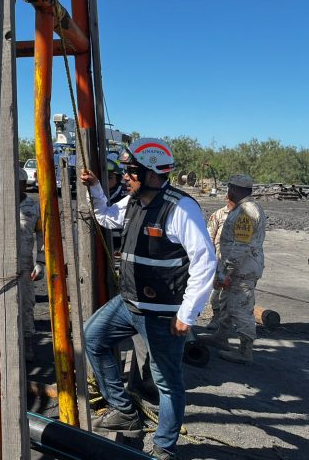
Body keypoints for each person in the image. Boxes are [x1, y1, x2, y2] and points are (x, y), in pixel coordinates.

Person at [80, 137, 216, 460]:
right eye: (126, 171)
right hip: (130, 304)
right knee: (92, 336)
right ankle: (125, 412)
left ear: (153, 174)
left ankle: (164, 447)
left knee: (167, 383)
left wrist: (187, 314)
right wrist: (98, 189)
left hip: (163, 314)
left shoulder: (180, 208)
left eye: (132, 171)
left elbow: (206, 261)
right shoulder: (133, 202)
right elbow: (106, 217)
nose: (125, 176)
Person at [202, 175, 266, 364]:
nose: (228, 191)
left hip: (241, 270)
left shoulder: (246, 212)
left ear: (236, 190)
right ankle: (221, 337)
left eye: (230, 188)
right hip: (239, 268)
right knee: (227, 304)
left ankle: (245, 352)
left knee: (241, 309)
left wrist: (226, 271)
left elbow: (240, 246)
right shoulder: (245, 209)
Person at [17, 168, 44, 362]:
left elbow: (42, 236)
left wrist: (40, 262)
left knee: (26, 304)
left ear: (24, 184)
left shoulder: (33, 207)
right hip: (1, 263)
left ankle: (26, 344)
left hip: (26, 265)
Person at [204, 197, 235, 330]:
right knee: (216, 293)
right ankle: (216, 317)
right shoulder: (218, 215)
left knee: (235, 295)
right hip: (220, 263)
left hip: (240, 264)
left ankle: (228, 323)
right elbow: (208, 239)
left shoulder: (247, 215)